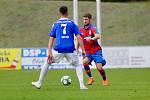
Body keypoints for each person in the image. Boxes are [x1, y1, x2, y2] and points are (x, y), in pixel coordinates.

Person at [32, 6, 88, 90]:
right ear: (67, 13)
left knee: (47, 62)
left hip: (59, 49)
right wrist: (83, 50)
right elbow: (79, 37)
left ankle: (39, 83)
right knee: (77, 65)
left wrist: (49, 52)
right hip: (70, 49)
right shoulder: (72, 23)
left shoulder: (55, 24)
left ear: (60, 13)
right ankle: (82, 85)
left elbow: (51, 38)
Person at [78, 13, 109, 86]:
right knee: (84, 62)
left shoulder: (93, 28)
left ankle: (104, 79)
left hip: (96, 51)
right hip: (88, 52)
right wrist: (76, 48)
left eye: (86, 19)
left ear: (90, 20)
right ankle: (91, 78)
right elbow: (79, 39)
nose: (85, 21)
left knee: (99, 68)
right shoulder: (80, 30)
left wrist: (92, 38)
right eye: (84, 19)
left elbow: (98, 36)